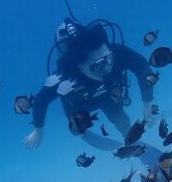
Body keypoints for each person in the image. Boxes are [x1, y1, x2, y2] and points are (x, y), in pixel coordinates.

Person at [23, 18, 162, 166]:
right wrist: (38, 128)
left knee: (121, 119)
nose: (107, 67)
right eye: (97, 66)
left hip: (109, 97)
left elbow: (142, 65)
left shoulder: (117, 54)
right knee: (76, 129)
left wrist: (147, 101)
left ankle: (134, 144)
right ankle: (82, 131)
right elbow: (41, 100)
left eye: (108, 59)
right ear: (80, 67)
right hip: (79, 106)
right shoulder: (65, 77)